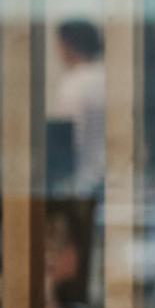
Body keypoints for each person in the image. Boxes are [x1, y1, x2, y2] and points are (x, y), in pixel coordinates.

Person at [51, 19, 106, 195]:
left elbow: (69, 138)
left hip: (84, 179)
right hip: (108, 175)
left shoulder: (74, 84)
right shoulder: (106, 76)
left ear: (67, 45)